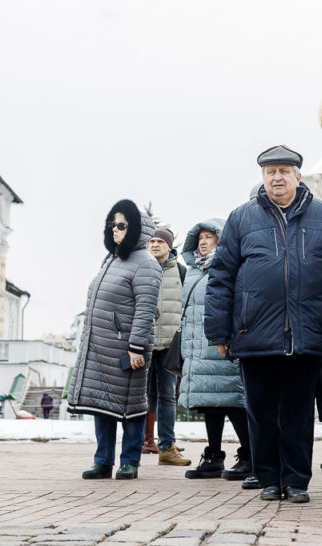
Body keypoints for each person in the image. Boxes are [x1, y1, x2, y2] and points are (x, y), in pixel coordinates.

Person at [205, 145, 322, 504]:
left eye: (284, 171)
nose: (277, 178)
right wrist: (218, 330)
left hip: (306, 333)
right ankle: (268, 478)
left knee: (298, 414)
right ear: (263, 177)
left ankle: (296, 480)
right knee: (261, 413)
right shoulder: (242, 218)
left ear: (298, 176)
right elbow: (221, 276)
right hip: (254, 333)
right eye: (271, 172)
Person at [67, 198, 162, 481]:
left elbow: (145, 309)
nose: (115, 229)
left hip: (126, 348)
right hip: (100, 346)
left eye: (121, 225)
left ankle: (129, 461)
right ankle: (102, 461)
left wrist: (136, 347)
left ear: (135, 229)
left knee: (131, 406)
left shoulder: (146, 263)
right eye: (112, 224)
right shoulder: (111, 259)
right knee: (102, 404)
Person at [178, 219, 252, 482]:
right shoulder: (193, 271)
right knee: (210, 404)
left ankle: (250, 456)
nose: (203, 241)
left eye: (209, 237)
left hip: (222, 346)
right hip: (198, 348)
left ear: (221, 240)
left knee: (233, 402)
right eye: (200, 237)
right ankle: (213, 457)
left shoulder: (229, 266)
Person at [143, 227, 191, 466]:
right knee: (139, 397)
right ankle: (135, 446)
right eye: (152, 241)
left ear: (169, 247)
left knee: (168, 397)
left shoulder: (181, 272)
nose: (155, 245)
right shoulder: (141, 269)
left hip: (170, 346)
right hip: (143, 344)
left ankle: (166, 448)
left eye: (160, 241)